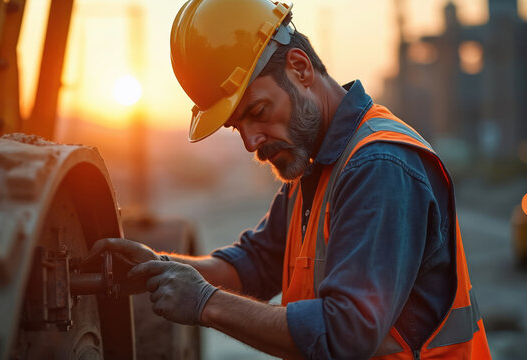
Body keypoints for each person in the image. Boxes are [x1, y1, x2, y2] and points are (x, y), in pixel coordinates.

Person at [90, 0, 492, 358]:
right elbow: (256, 264)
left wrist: (204, 303)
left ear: (300, 68)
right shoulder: (318, 164)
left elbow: (343, 335)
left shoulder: (379, 166)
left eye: (258, 111)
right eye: (236, 126)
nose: (250, 141)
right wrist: (158, 267)